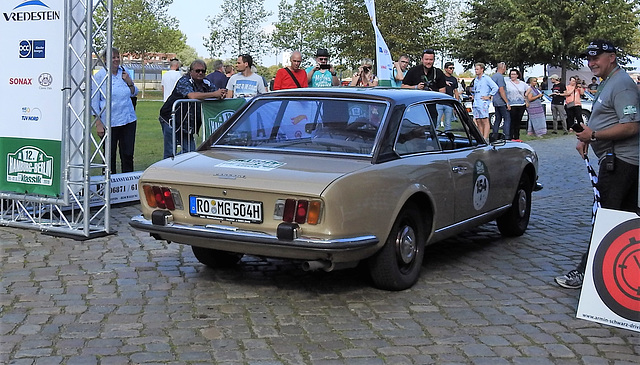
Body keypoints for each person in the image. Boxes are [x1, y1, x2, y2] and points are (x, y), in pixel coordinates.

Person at [555, 39, 639, 289]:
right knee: (620, 218)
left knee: (605, 219)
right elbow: (609, 120)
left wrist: (594, 136)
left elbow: (632, 125)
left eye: (597, 57)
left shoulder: (622, 85)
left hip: (621, 162)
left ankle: (587, 272)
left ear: (611, 57)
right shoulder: (609, 82)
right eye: (589, 58)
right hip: (614, 159)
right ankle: (608, 270)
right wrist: (588, 138)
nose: (591, 63)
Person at [159, 59, 226, 159]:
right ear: (191, 71)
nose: (200, 73)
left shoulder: (206, 82)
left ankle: (177, 166)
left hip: (186, 124)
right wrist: (214, 94)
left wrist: (221, 94)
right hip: (170, 119)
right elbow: (192, 96)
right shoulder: (184, 81)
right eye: (197, 71)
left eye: (203, 71)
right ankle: (166, 168)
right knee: (170, 151)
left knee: (190, 151)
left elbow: (217, 91)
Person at [92, 47, 138, 173]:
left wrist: (129, 82)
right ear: (105, 60)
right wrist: (98, 124)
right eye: (113, 57)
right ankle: (108, 184)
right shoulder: (99, 77)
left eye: (118, 57)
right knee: (109, 156)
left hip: (128, 119)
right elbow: (94, 102)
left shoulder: (124, 71)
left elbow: (133, 93)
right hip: (109, 122)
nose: (116, 60)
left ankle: (127, 183)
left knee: (128, 154)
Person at [471, 63, 498, 139]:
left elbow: (495, 87)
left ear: (482, 69)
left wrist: (489, 96)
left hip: (483, 102)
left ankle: (485, 137)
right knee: (478, 120)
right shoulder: (476, 80)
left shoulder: (486, 78)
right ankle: (481, 136)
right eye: (475, 69)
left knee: (484, 120)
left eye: (477, 69)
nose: (476, 71)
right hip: (476, 102)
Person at [436, 61, 459, 132]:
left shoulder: (454, 79)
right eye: (450, 68)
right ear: (446, 69)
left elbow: (455, 91)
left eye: (453, 68)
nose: (452, 70)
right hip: (439, 102)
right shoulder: (440, 77)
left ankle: (448, 138)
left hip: (449, 103)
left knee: (448, 123)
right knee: (437, 121)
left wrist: (456, 102)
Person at [505, 69, 528, 140]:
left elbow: (529, 88)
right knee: (512, 121)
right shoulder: (507, 83)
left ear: (517, 75)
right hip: (512, 104)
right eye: (511, 74)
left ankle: (517, 137)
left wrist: (526, 95)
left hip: (521, 104)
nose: (513, 76)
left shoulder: (522, 83)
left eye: (514, 74)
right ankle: (511, 136)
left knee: (518, 121)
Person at [491, 62, 511, 139]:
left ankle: (494, 135)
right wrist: (507, 102)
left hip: (495, 101)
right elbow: (501, 90)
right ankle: (506, 136)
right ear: (503, 68)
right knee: (507, 118)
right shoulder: (500, 77)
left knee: (497, 119)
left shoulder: (493, 76)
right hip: (501, 101)